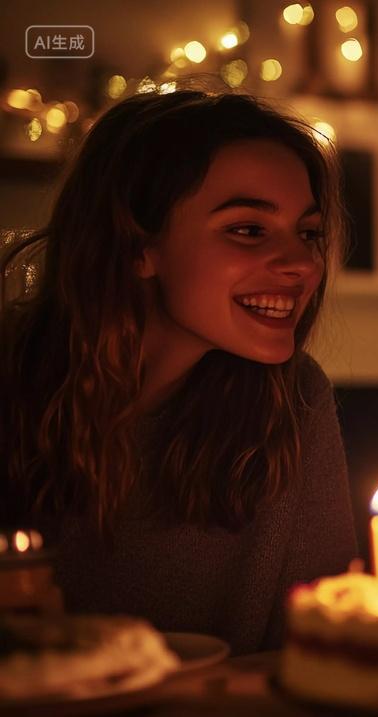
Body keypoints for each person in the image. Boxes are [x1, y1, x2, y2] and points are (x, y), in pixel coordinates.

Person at [0, 90, 357, 654]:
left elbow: (325, 652)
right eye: (248, 229)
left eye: (308, 233)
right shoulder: (14, 385)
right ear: (138, 245)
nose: (302, 264)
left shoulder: (295, 399)